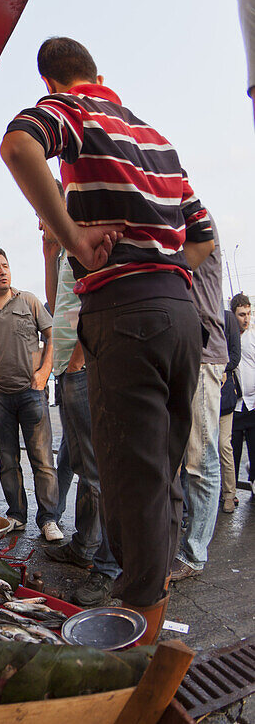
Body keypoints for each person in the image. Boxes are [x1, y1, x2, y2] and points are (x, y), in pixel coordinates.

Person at [0, 37, 213, 640]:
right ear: (99, 72)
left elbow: (19, 146)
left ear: (54, 84)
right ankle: (156, 600)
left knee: (130, 479)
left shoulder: (74, 111)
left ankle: (136, 643)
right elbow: (202, 237)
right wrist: (162, 263)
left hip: (127, 316)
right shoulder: (157, 140)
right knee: (163, 472)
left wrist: (72, 238)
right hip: (180, 317)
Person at [40, 208, 121, 606]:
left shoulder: (86, 241)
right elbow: (57, 302)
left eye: (42, 215)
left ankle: (108, 566)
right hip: (68, 369)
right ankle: (84, 546)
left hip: (82, 368)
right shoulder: (62, 249)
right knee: (75, 459)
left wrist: (77, 363)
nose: (39, 224)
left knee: (96, 473)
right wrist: (47, 250)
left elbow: (98, 301)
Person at [0, 246, 60, 541]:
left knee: (42, 460)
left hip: (32, 393)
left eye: (5, 265)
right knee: (8, 461)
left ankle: (49, 519)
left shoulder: (28, 301)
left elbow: (52, 335)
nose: (3, 271)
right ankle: (16, 514)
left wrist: (43, 374)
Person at [172, 229, 227, 583]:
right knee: (182, 460)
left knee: (200, 459)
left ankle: (194, 554)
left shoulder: (194, 216)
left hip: (202, 355)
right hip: (180, 353)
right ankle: (183, 543)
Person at [221, 300, 243, 513]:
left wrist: (219, 367)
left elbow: (234, 356)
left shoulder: (228, 319)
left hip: (223, 397)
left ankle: (229, 494)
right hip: (200, 391)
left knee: (223, 446)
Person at [233, 294, 255, 499]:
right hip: (235, 408)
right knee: (233, 455)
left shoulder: (253, 338)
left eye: (248, 314)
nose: (246, 319)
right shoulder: (228, 338)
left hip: (253, 406)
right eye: (242, 315)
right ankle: (230, 494)